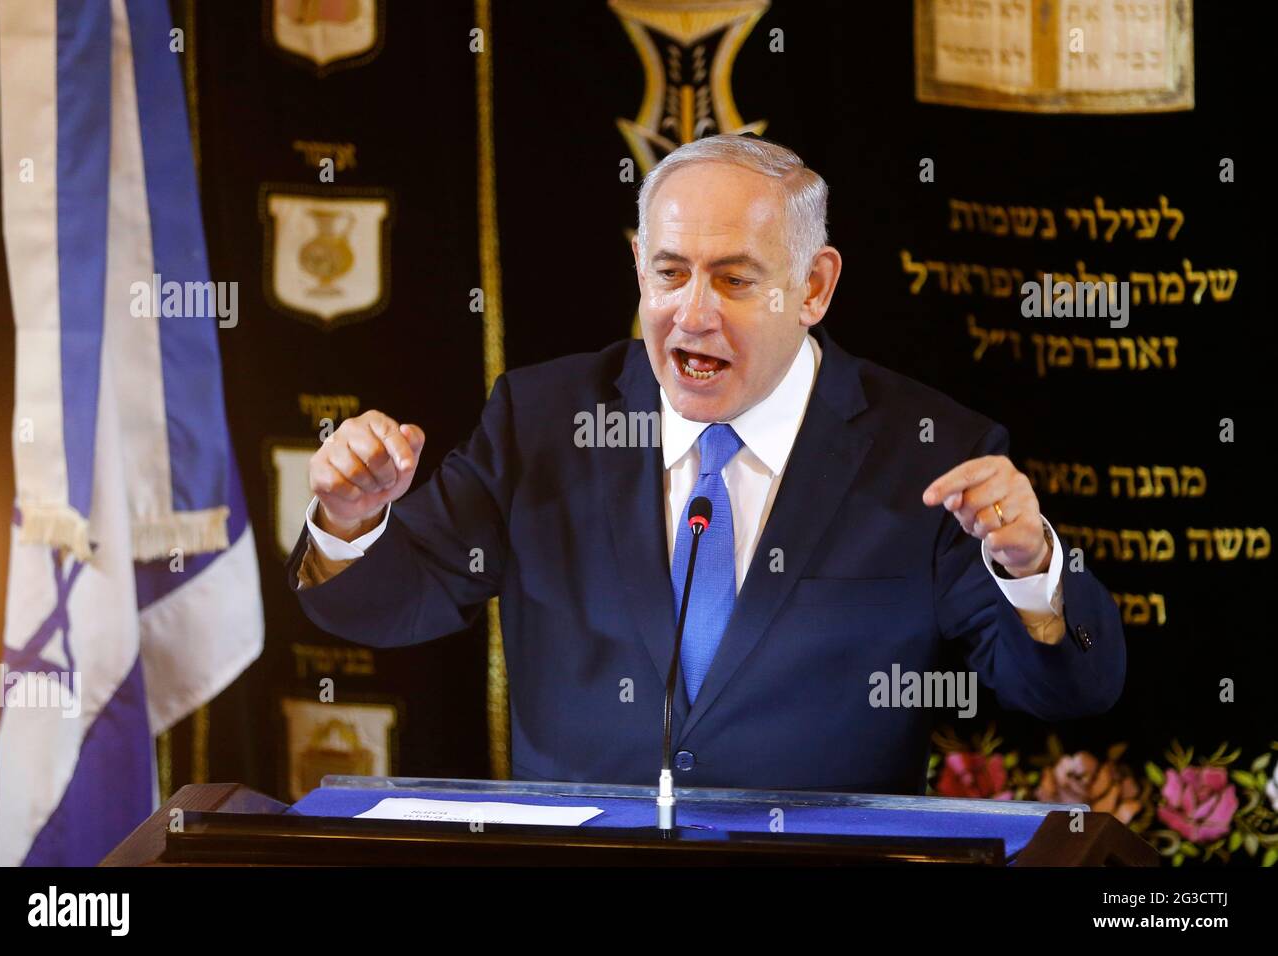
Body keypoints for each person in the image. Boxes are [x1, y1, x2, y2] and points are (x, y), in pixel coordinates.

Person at [288, 134, 1124, 793]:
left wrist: (1032, 571)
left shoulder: (929, 450)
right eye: (670, 274)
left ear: (814, 288)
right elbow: (385, 607)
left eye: (733, 280)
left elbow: (1067, 692)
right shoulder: (543, 421)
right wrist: (352, 521)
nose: (692, 315)